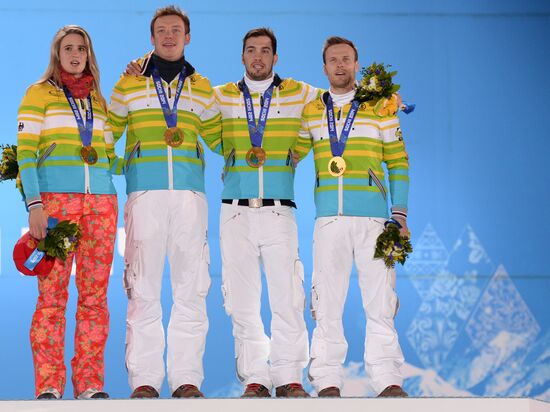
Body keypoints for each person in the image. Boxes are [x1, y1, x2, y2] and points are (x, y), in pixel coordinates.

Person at [108, 5, 221, 399]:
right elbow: (107, 134)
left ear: (187, 37)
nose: (169, 36)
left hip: (190, 197)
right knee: (142, 289)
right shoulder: (129, 84)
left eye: (176, 30)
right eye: (161, 30)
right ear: (151, 38)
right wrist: (127, 165)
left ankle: (187, 379)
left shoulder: (203, 87)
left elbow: (222, 138)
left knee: (192, 288)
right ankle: (144, 381)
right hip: (145, 197)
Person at [294, 36, 410, 398]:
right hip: (329, 221)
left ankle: (388, 379)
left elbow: (398, 161)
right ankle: (327, 380)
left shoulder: (381, 106)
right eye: (333, 60)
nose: (340, 65)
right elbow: (292, 153)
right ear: (324, 67)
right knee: (326, 303)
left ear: (357, 64)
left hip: (376, 221)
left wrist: (400, 215)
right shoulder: (312, 111)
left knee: (380, 302)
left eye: (346, 59)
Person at [214, 28, 319, 398]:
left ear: (276, 57)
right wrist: (139, 71)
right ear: (242, 57)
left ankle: (290, 376)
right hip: (235, 213)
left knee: (287, 296)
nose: (258, 56)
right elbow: (184, 109)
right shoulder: (221, 96)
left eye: (265, 51)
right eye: (250, 50)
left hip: (279, 213)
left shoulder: (301, 94)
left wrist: (380, 98)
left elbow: (343, 100)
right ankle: (256, 376)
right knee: (241, 300)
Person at [17, 25, 119, 400]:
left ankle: (90, 384)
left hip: (102, 205)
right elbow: (26, 153)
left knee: (94, 298)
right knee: (52, 297)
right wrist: (35, 205)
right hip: (57, 206)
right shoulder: (38, 93)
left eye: (82, 49)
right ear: (57, 55)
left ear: (89, 55)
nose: (75, 55)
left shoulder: (99, 101)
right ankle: (48, 385)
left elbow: (107, 157)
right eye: (68, 49)